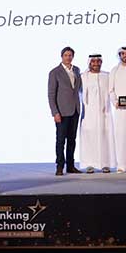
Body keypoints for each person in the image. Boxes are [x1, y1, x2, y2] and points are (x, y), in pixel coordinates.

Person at [47, 46, 82, 176]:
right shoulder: (55, 72)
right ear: (62, 56)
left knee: (72, 140)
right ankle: (60, 166)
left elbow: (77, 89)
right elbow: (51, 94)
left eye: (70, 55)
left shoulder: (76, 70)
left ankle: (71, 166)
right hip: (61, 111)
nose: (68, 57)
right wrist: (55, 112)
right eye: (66, 55)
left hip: (75, 110)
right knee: (61, 140)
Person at [79, 54, 116, 174]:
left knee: (105, 137)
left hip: (104, 113)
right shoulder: (83, 76)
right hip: (88, 113)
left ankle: (106, 164)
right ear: (89, 63)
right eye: (93, 61)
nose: (96, 63)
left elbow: (112, 91)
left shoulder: (107, 76)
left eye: (98, 61)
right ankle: (89, 164)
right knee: (89, 138)